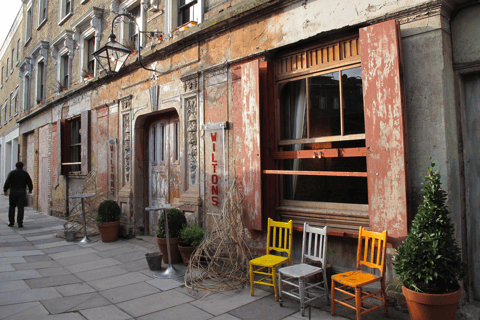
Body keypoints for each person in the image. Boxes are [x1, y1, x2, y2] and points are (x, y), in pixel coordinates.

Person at [3, 162, 33, 228]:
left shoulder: (12, 173)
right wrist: (30, 189)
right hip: (22, 192)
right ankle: (20, 223)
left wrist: (5, 190)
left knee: (12, 207)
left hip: (13, 192)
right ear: (22, 166)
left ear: (16, 166)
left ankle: (11, 222)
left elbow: (7, 182)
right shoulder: (25, 173)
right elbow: (29, 182)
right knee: (21, 208)